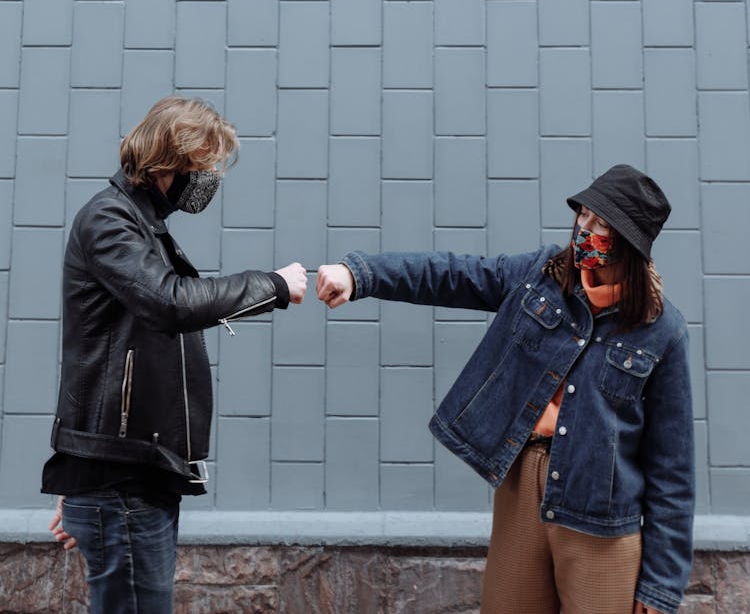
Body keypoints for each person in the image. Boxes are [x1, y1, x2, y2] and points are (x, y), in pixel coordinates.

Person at [316, 164, 694, 614]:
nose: (585, 230)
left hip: (602, 513)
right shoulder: (541, 276)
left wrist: (661, 587)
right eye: (584, 216)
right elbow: (452, 274)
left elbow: (673, 467)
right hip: (522, 486)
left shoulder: (661, 330)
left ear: (630, 244)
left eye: (602, 225)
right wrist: (359, 275)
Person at [44, 95, 307, 613]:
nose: (208, 178)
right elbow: (170, 302)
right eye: (203, 165)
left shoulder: (141, 227)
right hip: (121, 479)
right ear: (167, 163)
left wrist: (81, 480)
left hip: (127, 475)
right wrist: (272, 285)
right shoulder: (110, 220)